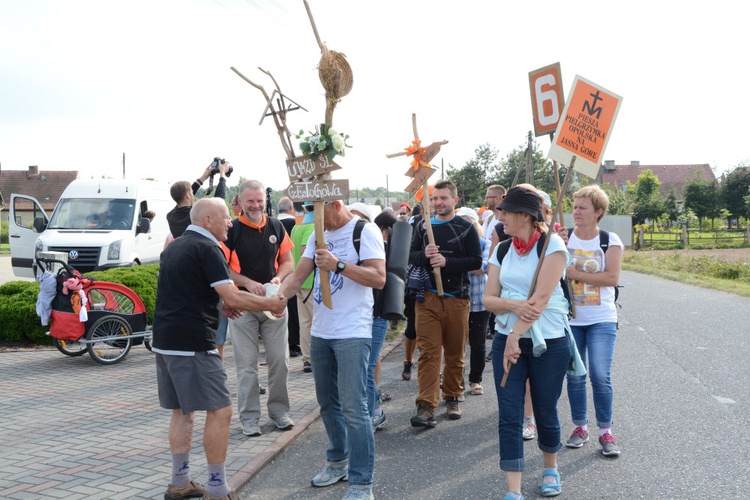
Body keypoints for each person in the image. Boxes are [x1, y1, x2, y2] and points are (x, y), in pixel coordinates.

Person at [152, 197, 287, 500]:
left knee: (182, 411)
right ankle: (217, 489)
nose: (230, 222)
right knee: (222, 410)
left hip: (165, 340)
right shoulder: (208, 247)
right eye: (226, 217)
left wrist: (219, 306)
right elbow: (234, 296)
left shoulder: (175, 245)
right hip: (193, 341)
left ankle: (179, 483)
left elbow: (188, 290)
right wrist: (270, 303)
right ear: (207, 221)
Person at [279, 200, 386, 500]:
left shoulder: (366, 231)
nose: (314, 219)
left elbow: (379, 278)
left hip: (353, 331)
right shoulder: (317, 234)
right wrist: (277, 297)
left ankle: (362, 484)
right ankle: (337, 461)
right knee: (327, 403)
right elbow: (299, 275)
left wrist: (338, 264)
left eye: (319, 212)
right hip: (322, 332)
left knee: (355, 409)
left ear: (335, 205)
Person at [483, 186, 573, 500]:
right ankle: (513, 490)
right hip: (507, 341)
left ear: (525, 215)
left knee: (545, 409)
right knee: (509, 414)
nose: (500, 215)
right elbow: (489, 299)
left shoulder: (553, 246)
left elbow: (541, 299)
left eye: (506, 211)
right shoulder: (502, 249)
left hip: (548, 343)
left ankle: (551, 468)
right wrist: (513, 306)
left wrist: (515, 335)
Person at [225, 180, 295, 438]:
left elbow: (288, 260)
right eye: (250, 201)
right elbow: (223, 268)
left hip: (274, 302)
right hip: (242, 305)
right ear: (240, 202)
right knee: (246, 366)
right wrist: (246, 282)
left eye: (259, 201)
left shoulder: (276, 225)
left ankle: (278, 412)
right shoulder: (231, 229)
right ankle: (250, 418)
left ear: (266, 202)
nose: (255, 206)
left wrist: (279, 277)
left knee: (280, 361)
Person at [409, 180, 482, 427]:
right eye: (435, 198)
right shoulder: (422, 226)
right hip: (426, 298)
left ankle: (452, 396)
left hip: (457, 299)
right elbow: (410, 256)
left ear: (455, 200)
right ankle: (426, 405)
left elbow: (475, 261)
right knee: (428, 353)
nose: (438, 202)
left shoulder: (466, 227)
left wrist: (446, 262)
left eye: (443, 198)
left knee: (454, 352)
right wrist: (425, 256)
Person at [564, 185, 624, 457]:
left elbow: (612, 278)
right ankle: (580, 427)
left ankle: (605, 431)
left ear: (598, 212)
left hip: (601, 318)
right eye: (574, 206)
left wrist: (574, 274)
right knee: (576, 375)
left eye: (582, 207)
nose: (575, 212)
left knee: (600, 375)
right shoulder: (562, 240)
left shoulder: (609, 241)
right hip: (570, 320)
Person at [368, 210, 403, 431]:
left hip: (377, 312)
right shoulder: (379, 247)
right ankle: (370, 409)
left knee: (367, 365)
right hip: (371, 313)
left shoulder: (386, 249)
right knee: (367, 364)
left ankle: (375, 411)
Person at [455, 207, 490, 397]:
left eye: (468, 223)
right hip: (457, 299)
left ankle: (475, 380)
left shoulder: (485, 243)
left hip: (478, 301)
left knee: (478, 343)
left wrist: (459, 262)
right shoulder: (453, 244)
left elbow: (482, 267)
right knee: (456, 343)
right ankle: (456, 381)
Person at [167, 162, 229, 239]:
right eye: (192, 192)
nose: (193, 194)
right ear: (188, 195)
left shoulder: (170, 216)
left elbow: (181, 194)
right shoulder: (195, 215)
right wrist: (222, 175)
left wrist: (203, 178)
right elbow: (219, 202)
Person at [290, 202, 316, 373]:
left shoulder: (296, 227)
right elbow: (306, 250)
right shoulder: (313, 226)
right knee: (316, 322)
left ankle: (307, 359)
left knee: (305, 322)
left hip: (298, 282)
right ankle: (313, 357)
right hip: (311, 281)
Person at [277, 197, 302, 358]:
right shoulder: (297, 225)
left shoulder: (272, 223)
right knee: (293, 309)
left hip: (276, 272)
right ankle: (294, 343)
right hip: (293, 270)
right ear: (291, 208)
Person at [400, 202, 422, 380]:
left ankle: (434, 368)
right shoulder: (415, 222)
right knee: (412, 328)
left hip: (436, 285)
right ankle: (408, 361)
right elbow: (407, 251)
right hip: (414, 281)